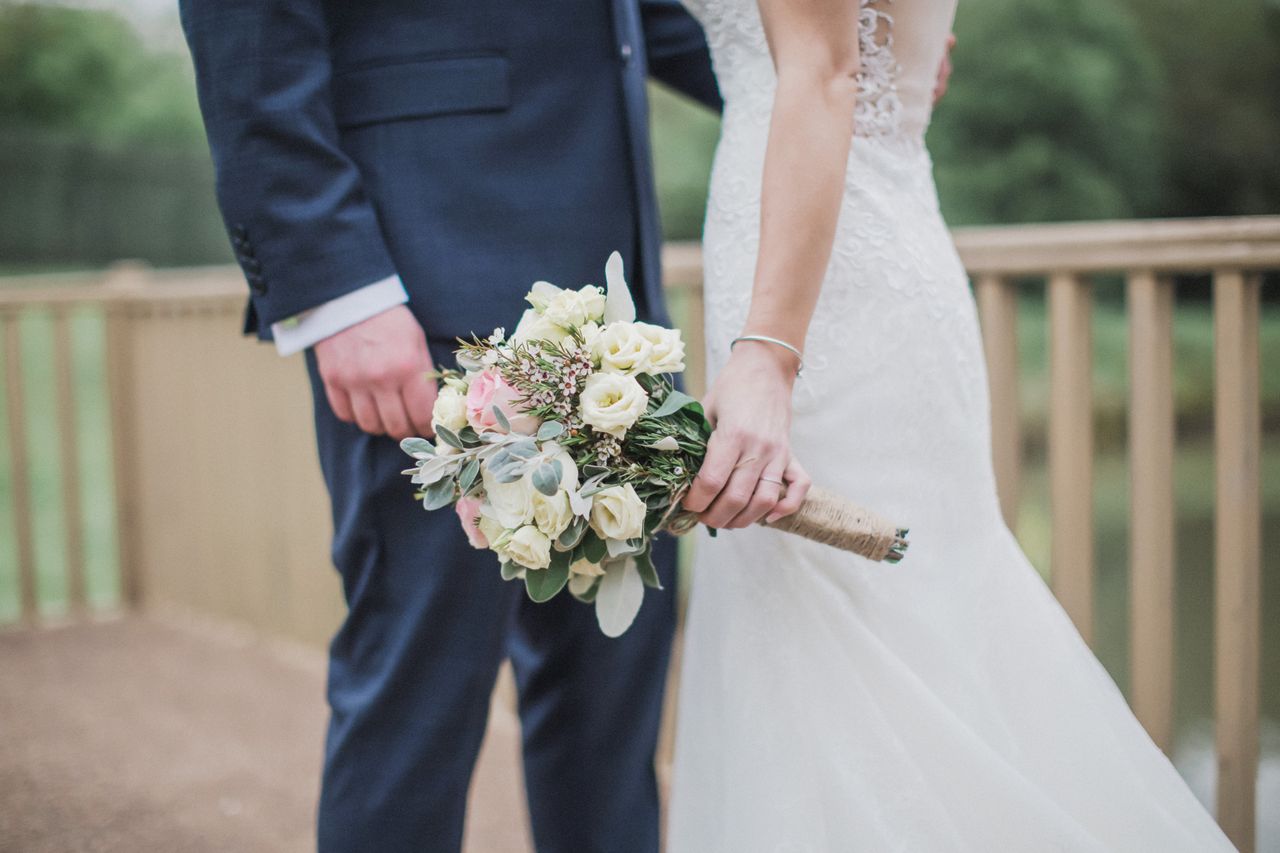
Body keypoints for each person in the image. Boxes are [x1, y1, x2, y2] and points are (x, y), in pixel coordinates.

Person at [668, 0, 1239, 850]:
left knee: (863, 651)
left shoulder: (780, 338)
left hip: (811, 305)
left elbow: (823, 74)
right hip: (849, 251)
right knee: (865, 649)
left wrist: (766, 354)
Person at [177, 3, 721, 851]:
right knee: (416, 699)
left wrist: (851, 66)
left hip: (615, 317)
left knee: (611, 707)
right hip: (424, 290)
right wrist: (336, 284)